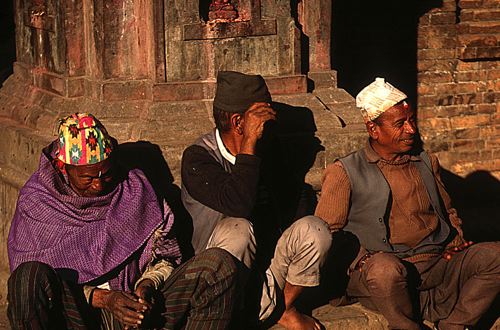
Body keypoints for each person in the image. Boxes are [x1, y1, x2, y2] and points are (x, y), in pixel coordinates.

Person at [7, 113, 238, 330]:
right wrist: (104, 299)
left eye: (105, 174)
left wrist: (146, 285)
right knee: (28, 278)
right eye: (87, 177)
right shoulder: (38, 201)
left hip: (136, 311)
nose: (99, 185)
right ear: (63, 168)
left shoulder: (135, 189)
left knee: (218, 265)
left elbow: (165, 256)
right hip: (77, 314)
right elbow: (41, 283)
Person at [315, 77, 500, 330]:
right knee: (384, 271)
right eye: (400, 124)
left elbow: (448, 211)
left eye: (412, 120)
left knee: (495, 256)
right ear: (373, 129)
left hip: (435, 263)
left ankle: (455, 325)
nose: (411, 129)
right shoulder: (344, 172)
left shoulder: (426, 162)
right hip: (380, 270)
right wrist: (362, 260)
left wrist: (455, 241)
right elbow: (326, 233)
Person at [181, 71, 332, 329]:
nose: (271, 123)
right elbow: (238, 203)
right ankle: (232, 315)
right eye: (262, 116)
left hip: (268, 268)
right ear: (239, 122)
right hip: (221, 278)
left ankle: (283, 308)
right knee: (238, 228)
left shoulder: (268, 148)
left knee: (315, 230)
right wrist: (249, 143)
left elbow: (293, 205)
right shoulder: (198, 158)